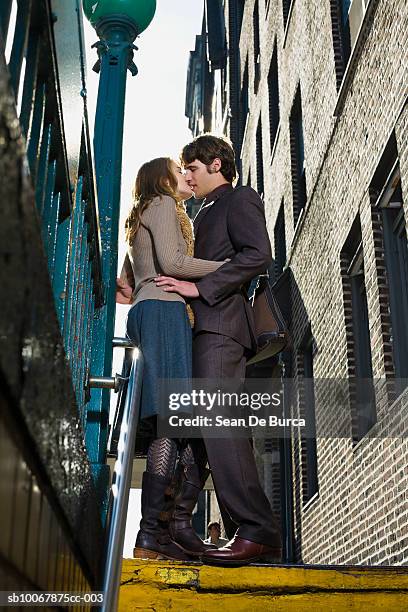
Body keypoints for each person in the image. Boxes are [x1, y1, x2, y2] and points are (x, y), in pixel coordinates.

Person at [155, 134, 282, 565]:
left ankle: (257, 529)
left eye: (191, 168)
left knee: (219, 424)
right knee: (203, 432)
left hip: (222, 327)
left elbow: (258, 254)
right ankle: (194, 529)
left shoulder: (239, 198)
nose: (186, 176)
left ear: (214, 164)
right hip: (197, 332)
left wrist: (200, 286)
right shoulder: (198, 212)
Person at [117, 156, 227, 560]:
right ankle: (151, 536)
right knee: (172, 420)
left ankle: (163, 535)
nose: (184, 176)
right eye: (176, 170)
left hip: (158, 312)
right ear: (160, 180)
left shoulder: (146, 213)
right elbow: (175, 263)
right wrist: (231, 267)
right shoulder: (163, 205)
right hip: (164, 311)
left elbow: (127, 286)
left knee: (180, 425)